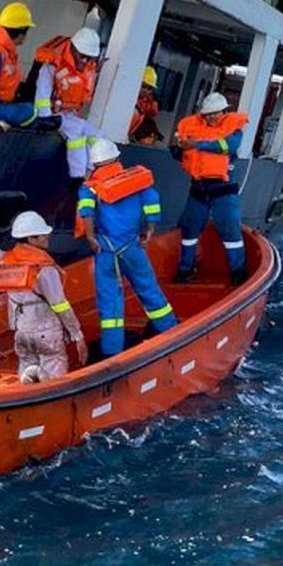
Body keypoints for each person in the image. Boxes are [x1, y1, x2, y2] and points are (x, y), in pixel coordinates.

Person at [77, 139, 179, 357]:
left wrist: (90, 237)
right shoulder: (136, 181)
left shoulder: (90, 189)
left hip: (106, 251)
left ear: (94, 165)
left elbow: (86, 213)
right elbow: (152, 203)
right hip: (133, 247)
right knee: (149, 289)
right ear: (117, 159)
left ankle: (112, 351)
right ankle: (170, 331)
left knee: (110, 300)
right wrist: (150, 231)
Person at [0, 211, 87, 383]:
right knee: (54, 381)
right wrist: (78, 336)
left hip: (22, 332)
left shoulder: (3, 261)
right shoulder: (44, 269)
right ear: (31, 239)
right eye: (41, 235)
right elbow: (60, 305)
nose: (47, 237)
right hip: (46, 332)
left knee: (26, 377)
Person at [173, 92, 251, 285]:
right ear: (203, 115)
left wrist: (196, 145)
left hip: (223, 191)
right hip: (198, 190)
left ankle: (238, 275)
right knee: (189, 230)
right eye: (209, 114)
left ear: (225, 111)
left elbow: (228, 146)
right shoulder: (191, 127)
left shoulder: (234, 129)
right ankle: (185, 270)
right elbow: (180, 152)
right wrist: (179, 148)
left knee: (230, 232)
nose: (213, 117)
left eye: (217, 113)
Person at [34, 27, 103, 179]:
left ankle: (92, 174)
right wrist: (45, 118)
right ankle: (78, 178)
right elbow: (43, 93)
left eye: (89, 58)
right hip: (52, 115)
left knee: (97, 134)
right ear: (73, 48)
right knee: (77, 134)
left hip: (69, 115)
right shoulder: (52, 64)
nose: (85, 61)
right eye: (83, 56)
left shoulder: (87, 67)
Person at [129, 66, 163, 145]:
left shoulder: (144, 105)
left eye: (150, 88)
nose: (148, 91)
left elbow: (153, 112)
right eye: (145, 87)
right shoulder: (128, 103)